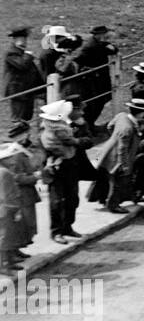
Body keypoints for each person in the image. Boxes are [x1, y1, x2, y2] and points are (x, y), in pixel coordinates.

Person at [92, 98, 144, 212]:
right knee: (118, 181)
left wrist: (114, 138)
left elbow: (109, 126)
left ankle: (104, 199)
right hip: (117, 158)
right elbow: (122, 148)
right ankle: (113, 205)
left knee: (105, 178)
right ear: (140, 113)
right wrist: (123, 164)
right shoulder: (127, 128)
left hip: (107, 151)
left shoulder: (121, 116)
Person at [38, 100, 79, 243]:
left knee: (72, 198)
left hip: (69, 165)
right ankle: (56, 231)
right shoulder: (46, 134)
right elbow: (51, 150)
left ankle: (67, 226)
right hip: (55, 168)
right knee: (57, 201)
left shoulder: (63, 127)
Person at [0, 136, 40, 267]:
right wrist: (14, 209)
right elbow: (7, 193)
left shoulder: (5, 170)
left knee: (11, 233)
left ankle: (12, 256)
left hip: (10, 205)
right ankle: (5, 262)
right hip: (9, 206)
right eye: (10, 157)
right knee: (6, 235)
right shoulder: (4, 172)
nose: (12, 159)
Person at [73, 26, 117, 131]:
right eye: (103, 34)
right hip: (92, 80)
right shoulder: (90, 46)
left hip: (101, 78)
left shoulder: (100, 43)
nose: (106, 35)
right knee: (94, 103)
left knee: (101, 101)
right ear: (98, 35)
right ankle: (88, 126)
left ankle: (91, 124)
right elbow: (78, 60)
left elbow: (113, 50)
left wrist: (110, 46)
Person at [4, 28, 44, 135]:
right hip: (18, 91)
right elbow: (22, 66)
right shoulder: (11, 53)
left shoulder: (21, 52)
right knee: (19, 118)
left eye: (25, 39)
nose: (24, 41)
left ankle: (26, 139)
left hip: (27, 90)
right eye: (21, 39)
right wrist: (28, 55)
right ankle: (16, 141)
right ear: (14, 40)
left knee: (27, 116)